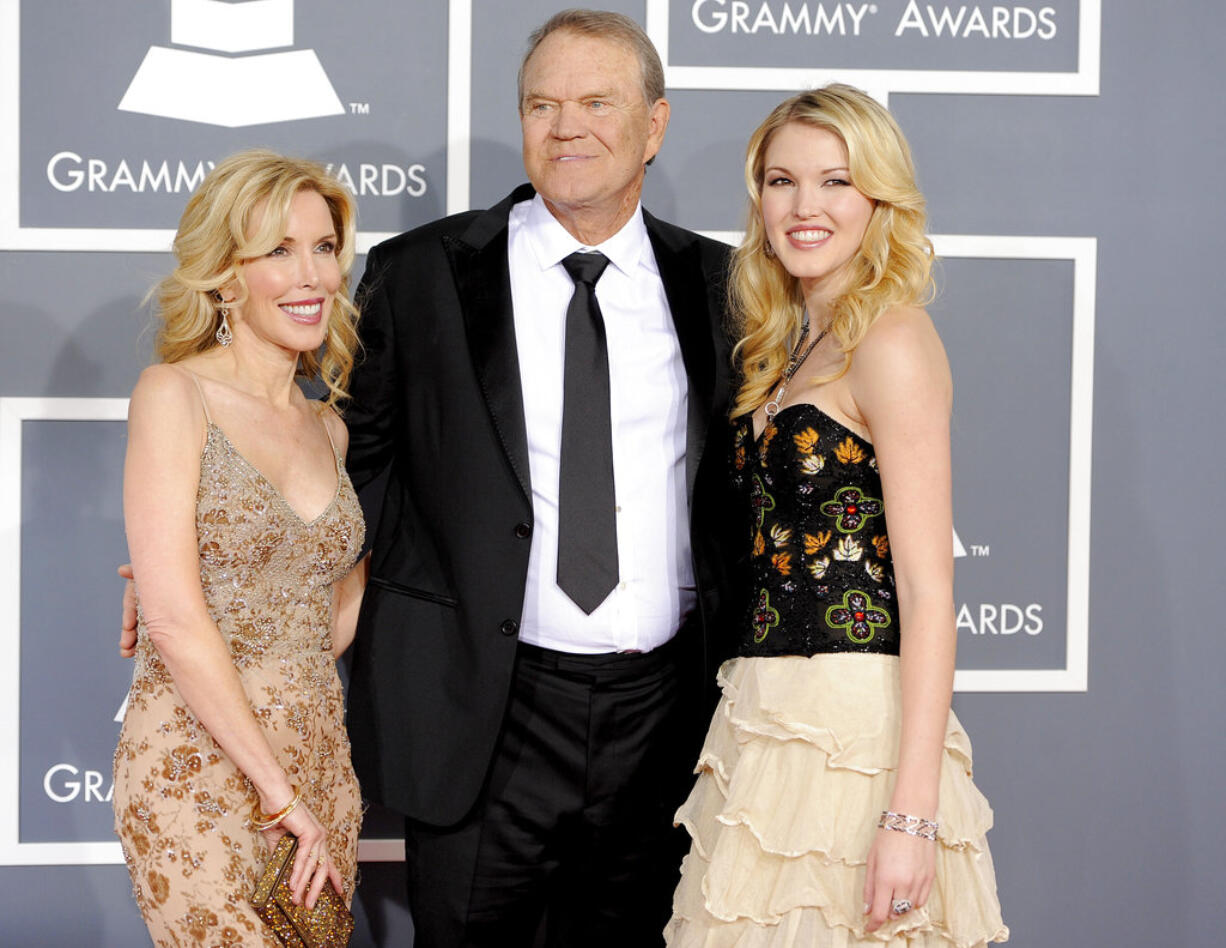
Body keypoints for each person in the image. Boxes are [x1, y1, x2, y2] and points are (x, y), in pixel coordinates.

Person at [341, 9, 733, 946]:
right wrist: (229, 578)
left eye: (598, 101)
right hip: (483, 709)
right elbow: (352, 474)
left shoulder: (723, 285)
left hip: (666, 717)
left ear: (655, 122)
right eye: (542, 103)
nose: (568, 127)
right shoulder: (418, 275)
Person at [664, 86, 1008, 945]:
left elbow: (930, 590)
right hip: (760, 720)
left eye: (835, 182)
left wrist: (913, 815)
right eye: (782, 181)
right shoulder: (782, 350)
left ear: (878, 201)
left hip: (855, 736)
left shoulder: (892, 339)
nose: (805, 206)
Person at [113, 150, 368, 946]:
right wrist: (277, 795)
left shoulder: (329, 426)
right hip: (201, 765)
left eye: (324, 248)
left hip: (319, 763)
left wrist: (304, 786)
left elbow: (332, 607)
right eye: (279, 252)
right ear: (226, 275)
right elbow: (177, 619)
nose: (313, 275)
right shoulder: (175, 394)